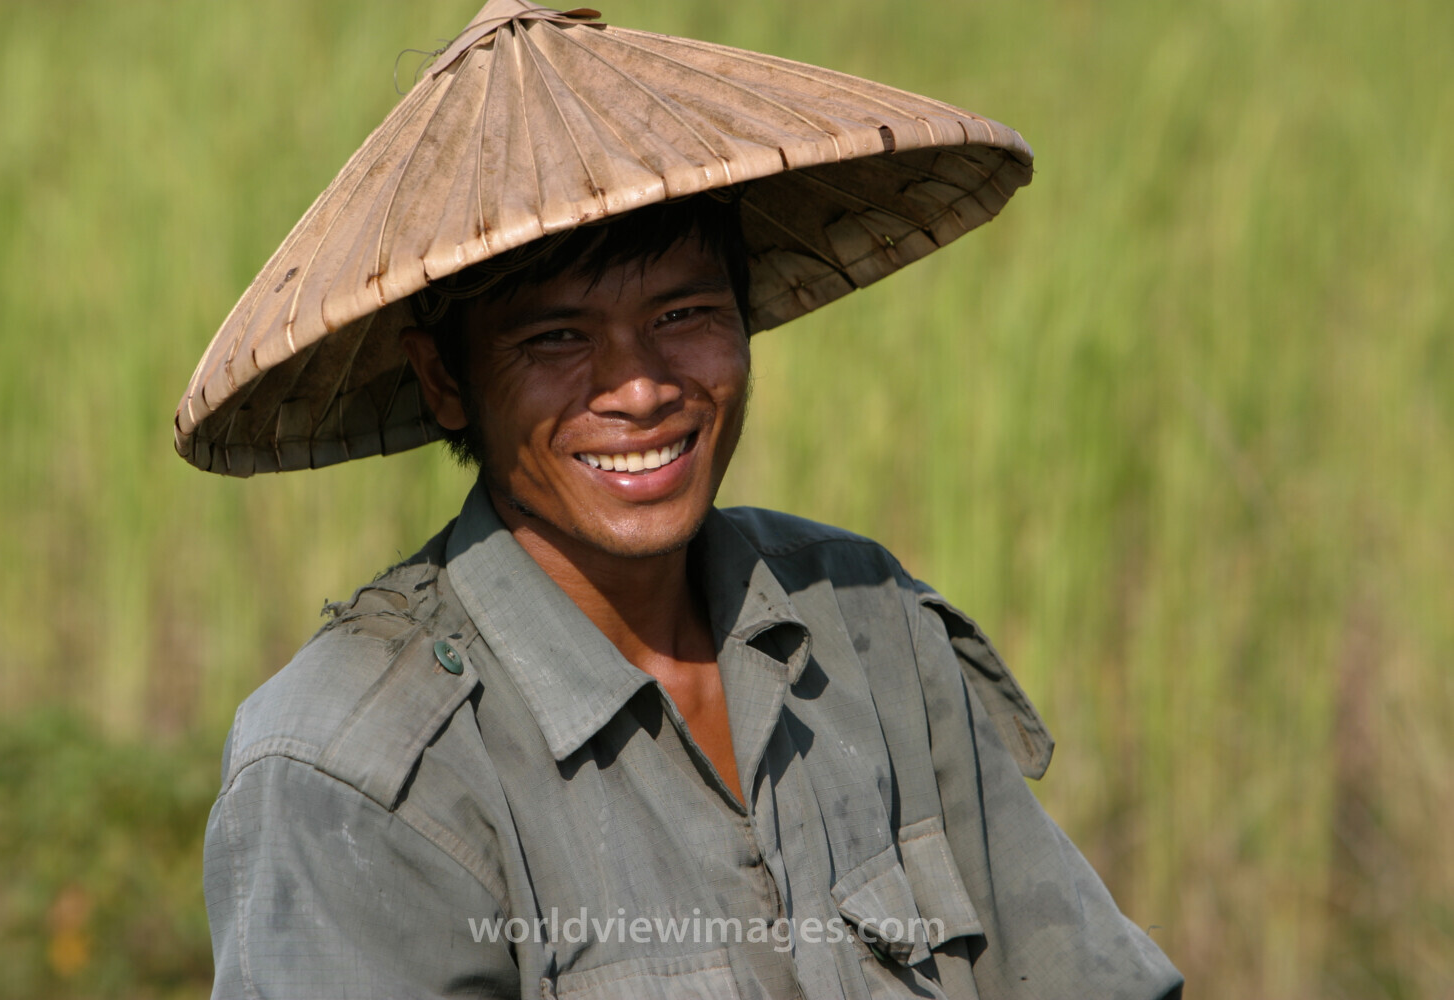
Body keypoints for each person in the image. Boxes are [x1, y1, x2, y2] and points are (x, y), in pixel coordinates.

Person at [186, 4, 1184, 998]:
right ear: (445, 380)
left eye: (687, 315)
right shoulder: (353, 773)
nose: (643, 387)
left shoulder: (871, 633)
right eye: (556, 340)